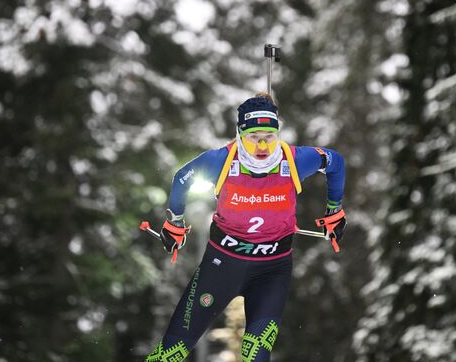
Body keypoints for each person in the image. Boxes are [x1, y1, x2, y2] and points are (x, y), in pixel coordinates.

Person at [145, 92, 346, 361]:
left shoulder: (294, 160)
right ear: (240, 134)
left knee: (256, 356)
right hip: (222, 266)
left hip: (272, 270)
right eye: (254, 137)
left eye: (269, 136)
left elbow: (335, 162)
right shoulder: (222, 160)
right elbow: (183, 178)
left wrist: (334, 210)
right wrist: (175, 223)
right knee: (170, 353)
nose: (263, 145)